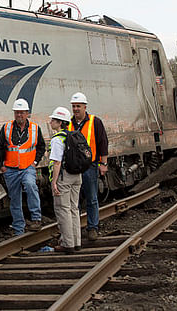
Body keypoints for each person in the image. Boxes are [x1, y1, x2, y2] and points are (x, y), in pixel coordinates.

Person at [0, 98, 46, 235]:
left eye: (22, 113)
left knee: (30, 185)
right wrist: (1, 165)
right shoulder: (6, 128)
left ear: (27, 113)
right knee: (14, 199)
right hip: (10, 169)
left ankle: (36, 219)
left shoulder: (35, 128)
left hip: (27, 167)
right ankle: (19, 228)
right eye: (17, 113)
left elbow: (41, 146)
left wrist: (35, 162)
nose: (19, 115)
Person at [68, 92, 109, 241]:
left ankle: (92, 227)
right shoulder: (69, 123)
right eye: (74, 106)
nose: (76, 109)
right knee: (74, 200)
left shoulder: (94, 122)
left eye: (78, 106)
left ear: (85, 107)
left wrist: (103, 163)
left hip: (90, 166)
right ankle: (75, 229)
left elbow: (102, 142)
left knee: (91, 198)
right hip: (72, 168)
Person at [49, 107, 82, 254]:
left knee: (63, 209)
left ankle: (68, 244)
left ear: (60, 122)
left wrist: (54, 182)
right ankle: (77, 242)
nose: (50, 122)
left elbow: (56, 163)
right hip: (77, 176)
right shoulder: (74, 135)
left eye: (53, 120)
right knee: (74, 209)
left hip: (64, 177)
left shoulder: (57, 139)